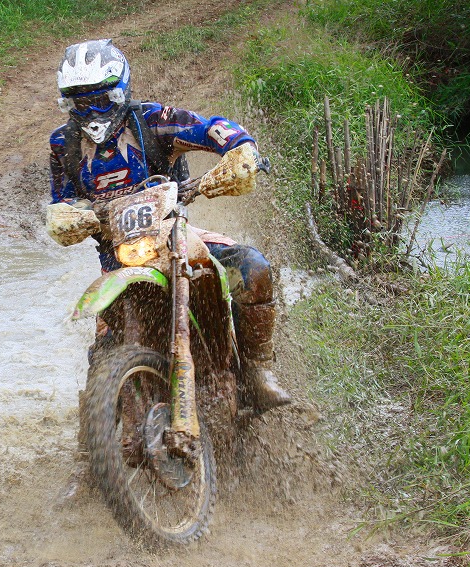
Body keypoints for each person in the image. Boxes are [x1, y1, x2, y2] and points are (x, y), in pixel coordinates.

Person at [48, 39, 291, 410]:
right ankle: (102, 425)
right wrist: (69, 214)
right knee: (101, 354)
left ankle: (258, 372)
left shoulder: (155, 121)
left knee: (252, 266)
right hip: (118, 261)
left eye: (100, 99)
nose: (92, 110)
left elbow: (211, 128)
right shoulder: (63, 144)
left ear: (119, 93)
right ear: (68, 104)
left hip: (175, 239)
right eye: (81, 102)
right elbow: (62, 198)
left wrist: (241, 149)